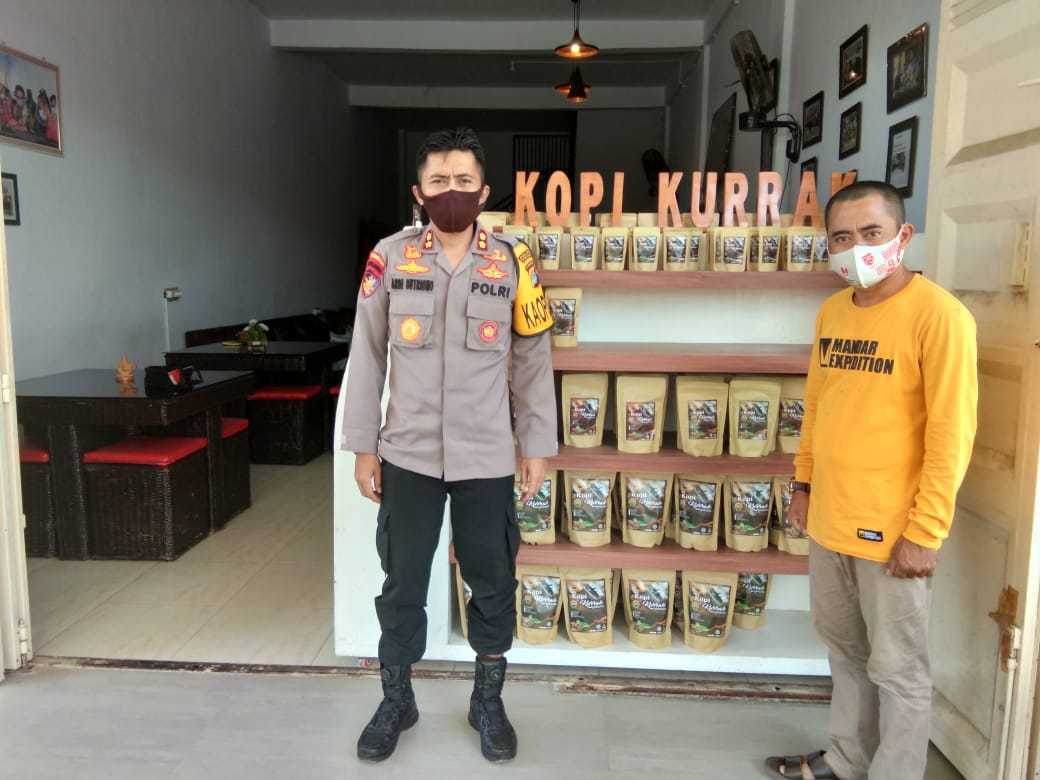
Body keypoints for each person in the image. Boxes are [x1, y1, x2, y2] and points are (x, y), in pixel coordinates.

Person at [339, 127, 556, 764]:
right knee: (402, 580)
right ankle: (396, 699)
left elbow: (532, 358)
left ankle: (487, 701)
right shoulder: (390, 257)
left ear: (485, 192)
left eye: (464, 181)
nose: (451, 191)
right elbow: (367, 354)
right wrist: (363, 444)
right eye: (439, 181)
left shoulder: (515, 262)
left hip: (486, 455)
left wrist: (536, 444)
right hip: (407, 453)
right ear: (419, 192)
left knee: (491, 579)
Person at [767, 181, 978, 779]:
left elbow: (951, 435)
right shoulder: (833, 312)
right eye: (841, 237)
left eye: (871, 233)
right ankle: (847, 759)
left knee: (900, 670)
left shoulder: (940, 317)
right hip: (830, 519)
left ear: (902, 236)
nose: (855, 248)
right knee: (845, 652)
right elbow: (817, 407)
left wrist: (925, 532)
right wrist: (803, 486)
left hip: (893, 532)